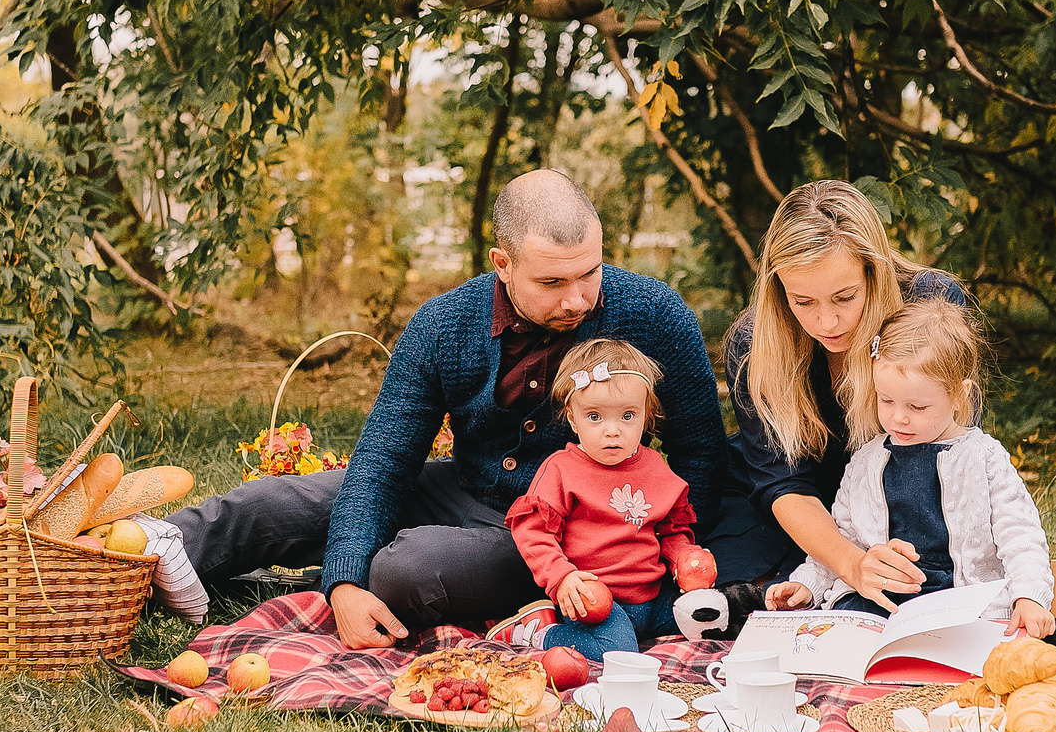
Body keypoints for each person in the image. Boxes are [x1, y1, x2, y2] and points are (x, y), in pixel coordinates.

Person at [162, 170, 726, 648]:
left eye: (590, 274)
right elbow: (384, 460)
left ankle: (308, 583)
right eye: (552, 282)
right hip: (462, 487)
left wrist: (655, 560)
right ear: (502, 263)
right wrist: (342, 585)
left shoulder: (655, 313)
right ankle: (136, 562)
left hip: (566, 533)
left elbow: (700, 448)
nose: (577, 298)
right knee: (271, 504)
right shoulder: (443, 325)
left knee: (404, 571)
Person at [720, 179, 971, 601]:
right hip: (795, 510)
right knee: (748, 586)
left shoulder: (930, 305)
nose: (827, 324)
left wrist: (879, 553)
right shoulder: (753, 344)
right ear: (778, 289)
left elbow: (948, 446)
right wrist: (851, 563)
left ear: (873, 271)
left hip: (909, 493)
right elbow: (782, 482)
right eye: (803, 302)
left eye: (844, 297)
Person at [765, 299, 1055, 634]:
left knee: (969, 639)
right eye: (885, 400)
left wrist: (1029, 597)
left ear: (960, 396)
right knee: (838, 630)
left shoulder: (983, 459)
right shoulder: (867, 461)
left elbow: (1021, 536)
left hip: (958, 599)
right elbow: (846, 537)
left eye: (917, 406)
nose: (898, 417)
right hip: (883, 601)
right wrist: (807, 585)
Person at [505, 341, 712, 661]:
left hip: (654, 598)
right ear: (573, 420)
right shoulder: (562, 469)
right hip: (595, 602)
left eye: (627, 415)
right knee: (616, 651)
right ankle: (540, 631)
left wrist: (685, 557)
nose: (612, 431)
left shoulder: (655, 467)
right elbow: (533, 532)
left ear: (646, 416)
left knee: (710, 619)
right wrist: (562, 577)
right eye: (595, 417)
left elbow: (671, 532)